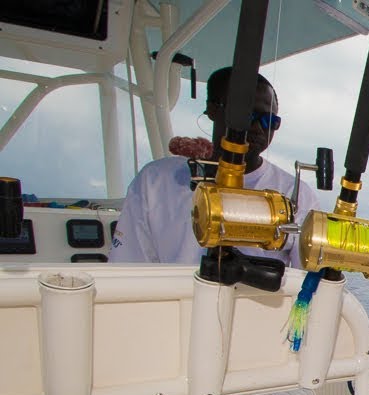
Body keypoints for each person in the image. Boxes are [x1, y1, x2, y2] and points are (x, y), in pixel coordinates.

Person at [109, 67, 317, 267]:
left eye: (269, 120)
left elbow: (310, 277)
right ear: (213, 109)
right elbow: (127, 265)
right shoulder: (154, 181)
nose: (258, 128)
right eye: (247, 115)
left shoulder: (296, 193)